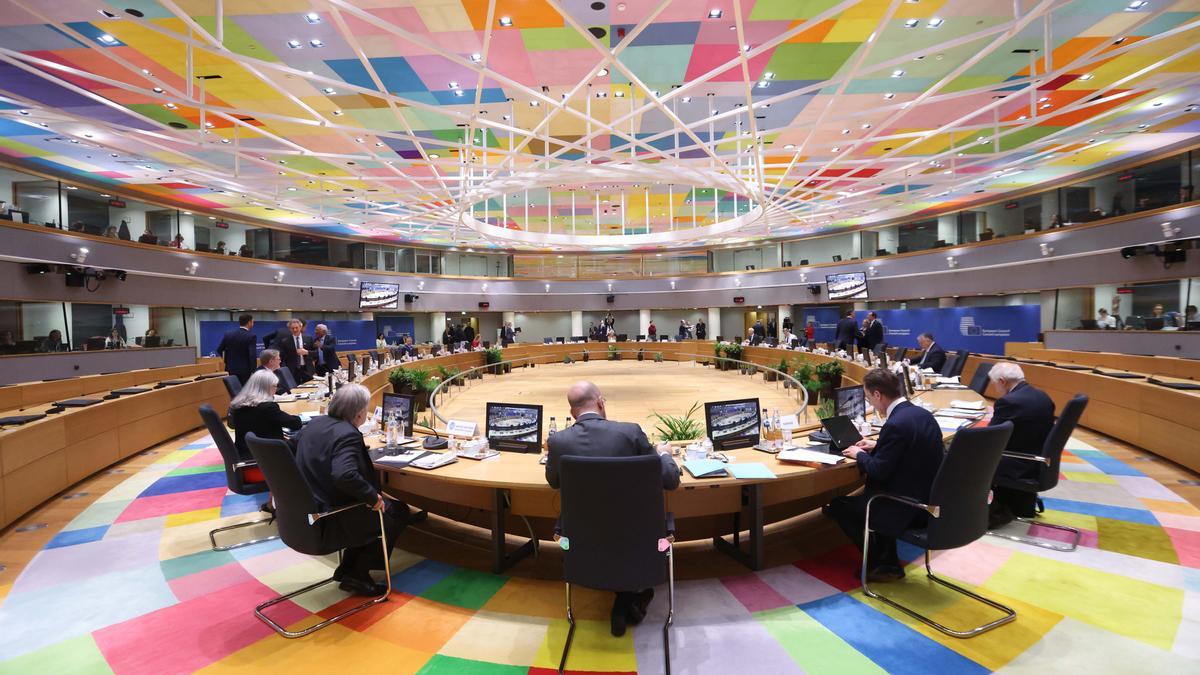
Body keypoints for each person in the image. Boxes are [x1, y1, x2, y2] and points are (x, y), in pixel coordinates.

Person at [544, 381, 679, 637]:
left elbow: (554, 481)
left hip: (580, 544)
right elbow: (670, 481)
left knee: (602, 525)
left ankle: (623, 598)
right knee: (620, 524)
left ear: (572, 413)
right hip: (640, 541)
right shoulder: (629, 433)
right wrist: (664, 454)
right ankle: (627, 596)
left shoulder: (558, 442)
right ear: (601, 402)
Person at [823, 369, 944, 581]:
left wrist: (859, 454)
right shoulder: (921, 415)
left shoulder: (895, 424)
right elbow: (912, 450)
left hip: (905, 506)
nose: (871, 403)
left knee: (838, 506)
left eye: (869, 398)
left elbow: (879, 470)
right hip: (928, 498)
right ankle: (886, 559)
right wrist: (878, 444)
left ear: (878, 395)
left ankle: (881, 564)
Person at [295, 383, 408, 596]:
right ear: (359, 414)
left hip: (306, 508)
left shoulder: (314, 425)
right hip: (329, 515)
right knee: (395, 512)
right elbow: (344, 474)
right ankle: (357, 575)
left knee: (379, 507)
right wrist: (372, 496)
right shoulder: (347, 434)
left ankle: (347, 568)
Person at [985, 362, 1055, 528]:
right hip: (1039, 461)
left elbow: (990, 438)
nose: (995, 388)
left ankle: (992, 513)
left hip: (1018, 465)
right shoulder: (1042, 396)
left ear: (1002, 381)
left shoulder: (1009, 402)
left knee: (962, 458)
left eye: (994, 384)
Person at [228, 370, 302, 513]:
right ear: (266, 387)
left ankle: (274, 502)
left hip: (246, 458)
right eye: (275, 386)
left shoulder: (238, 405)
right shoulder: (267, 407)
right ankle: (293, 504)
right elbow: (295, 424)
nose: (276, 390)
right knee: (303, 447)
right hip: (262, 463)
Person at [217, 313, 257, 384]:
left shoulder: (228, 334)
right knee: (244, 391)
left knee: (234, 390)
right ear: (249, 322)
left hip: (231, 369)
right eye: (253, 322)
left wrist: (227, 361)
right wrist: (253, 370)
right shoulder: (251, 336)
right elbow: (252, 355)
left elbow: (219, 350)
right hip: (245, 371)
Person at [277, 318, 314, 384]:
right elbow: (282, 357)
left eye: (296, 327)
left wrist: (307, 352)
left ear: (300, 327)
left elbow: (316, 353)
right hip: (292, 371)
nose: (295, 330)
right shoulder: (285, 341)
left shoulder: (309, 338)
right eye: (292, 328)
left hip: (307, 369)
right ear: (289, 329)